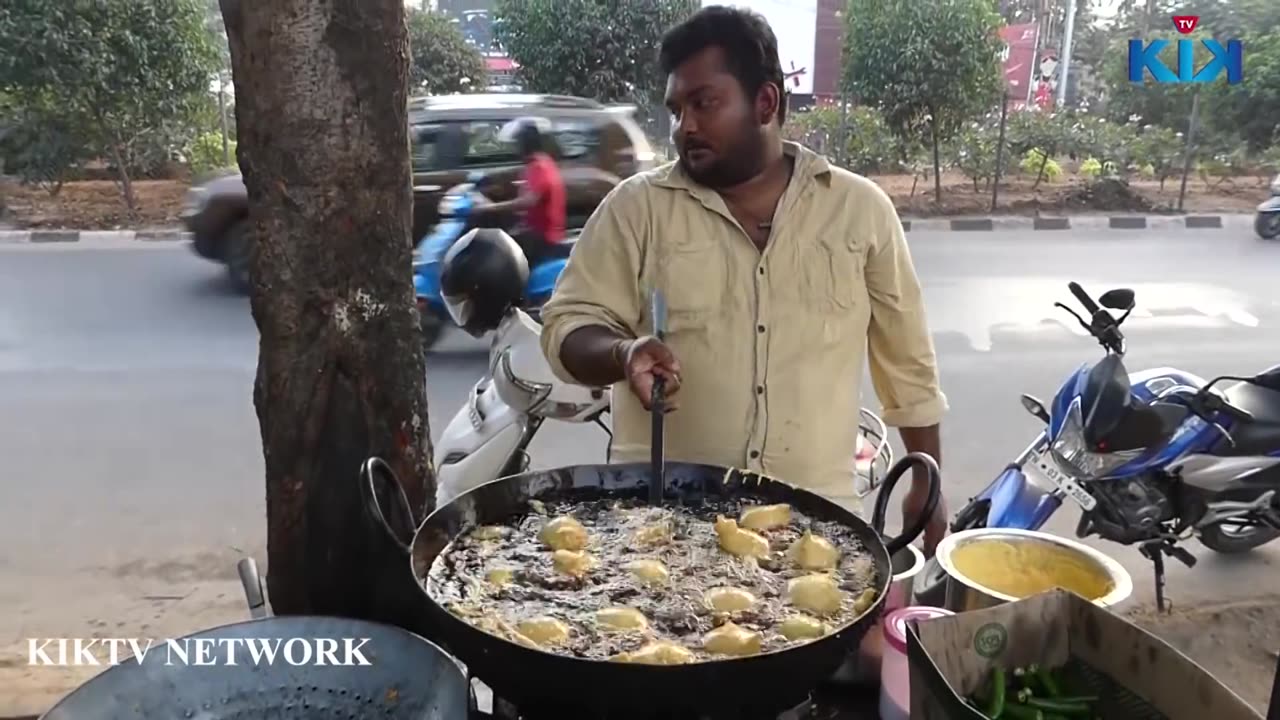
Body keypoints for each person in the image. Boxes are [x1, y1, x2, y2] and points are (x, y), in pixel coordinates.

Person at [538, 6, 949, 554]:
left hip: (811, 531)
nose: (685, 125)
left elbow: (908, 362)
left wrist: (927, 481)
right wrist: (623, 352)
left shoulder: (860, 212)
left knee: (857, 644)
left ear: (766, 102)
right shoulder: (635, 211)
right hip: (660, 530)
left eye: (704, 103)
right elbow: (566, 326)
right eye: (676, 108)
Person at [484, 118, 567, 268]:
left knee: (494, 253)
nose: (516, 148)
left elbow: (529, 201)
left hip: (542, 237)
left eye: (517, 143)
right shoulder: (540, 162)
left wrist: (491, 207)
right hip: (535, 230)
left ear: (526, 143)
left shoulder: (539, 166)